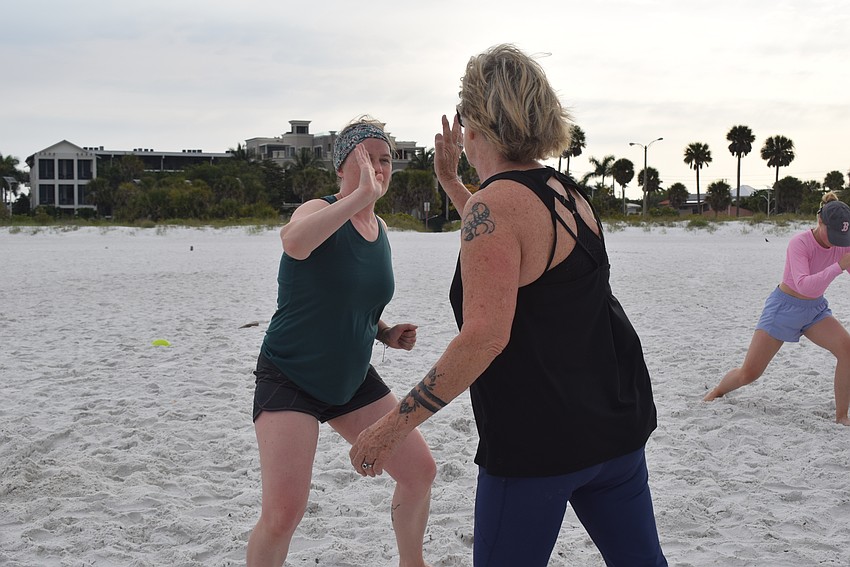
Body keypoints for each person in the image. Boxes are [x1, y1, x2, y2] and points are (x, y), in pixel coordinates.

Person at [348, 45, 667, 566]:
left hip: (539, 445)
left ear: (477, 124)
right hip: (615, 429)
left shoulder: (495, 206)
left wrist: (392, 427)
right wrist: (452, 183)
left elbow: (483, 337)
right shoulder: (565, 193)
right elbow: (513, 246)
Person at [246, 117, 436, 567]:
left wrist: (383, 331)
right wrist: (358, 197)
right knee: (283, 513)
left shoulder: (380, 228)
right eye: (366, 159)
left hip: (351, 378)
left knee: (419, 472)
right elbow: (293, 243)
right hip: (291, 375)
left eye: (385, 160)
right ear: (340, 167)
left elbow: (349, 297)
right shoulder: (318, 209)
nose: (378, 169)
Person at [704, 192, 850, 425]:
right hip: (784, 308)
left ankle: (842, 417)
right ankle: (716, 392)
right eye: (833, 234)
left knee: (847, 350)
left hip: (815, 311)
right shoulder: (800, 243)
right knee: (749, 373)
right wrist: (838, 266)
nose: (837, 241)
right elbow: (803, 284)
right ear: (820, 220)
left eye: (842, 236)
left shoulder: (842, 243)